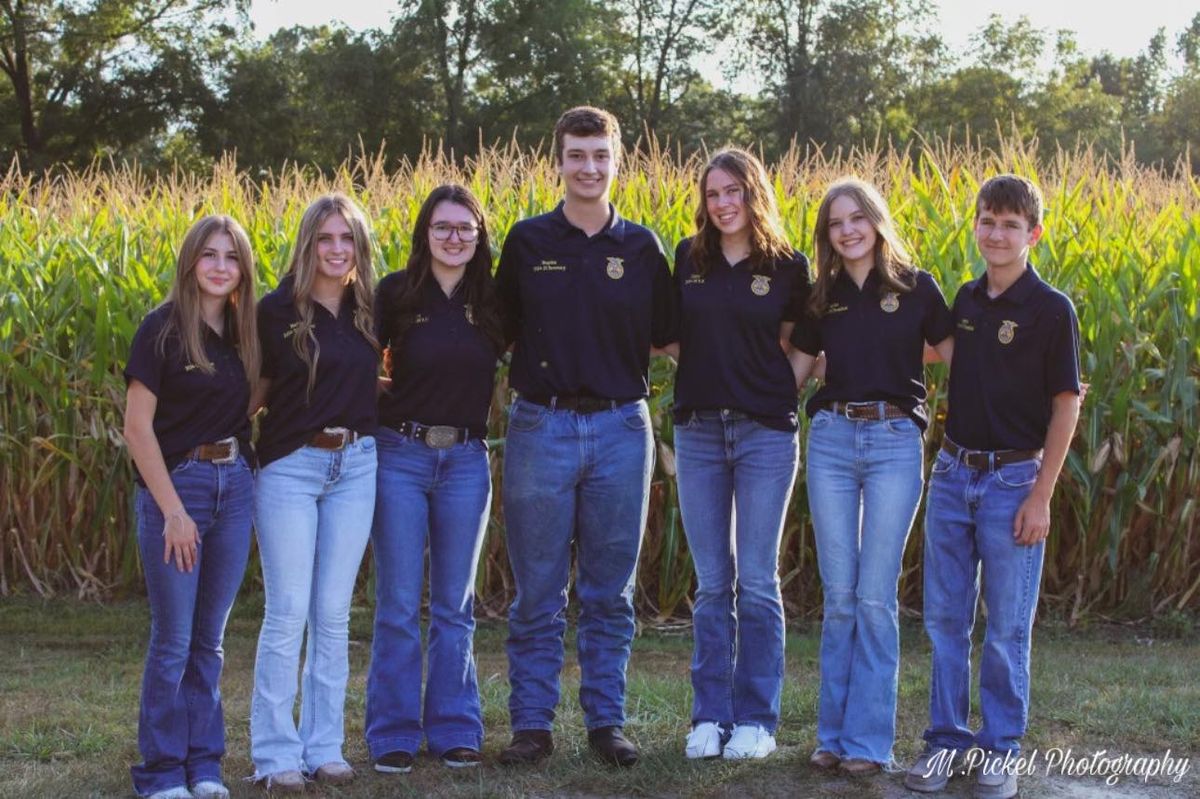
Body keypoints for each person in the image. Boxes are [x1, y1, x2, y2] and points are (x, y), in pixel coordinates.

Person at [494, 106, 676, 767]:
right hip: (541, 426)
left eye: (600, 155)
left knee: (608, 590)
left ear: (617, 160)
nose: (588, 167)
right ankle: (532, 726)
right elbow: (496, 333)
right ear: (559, 161)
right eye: (576, 154)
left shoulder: (642, 247)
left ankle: (607, 722)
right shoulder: (527, 242)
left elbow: (675, 337)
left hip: (622, 428)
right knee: (538, 589)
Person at [904, 175, 1080, 799]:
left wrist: (1042, 495)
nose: (996, 233)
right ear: (974, 227)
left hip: (1013, 480)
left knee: (1006, 627)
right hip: (953, 475)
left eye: (1010, 224)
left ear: (1033, 233)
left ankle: (1000, 750)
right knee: (946, 621)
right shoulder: (966, 299)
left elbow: (1066, 405)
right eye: (987, 221)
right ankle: (945, 744)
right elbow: (934, 352)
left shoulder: (1052, 309)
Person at [788, 178, 955, 775]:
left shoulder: (917, 288)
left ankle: (867, 743)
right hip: (831, 440)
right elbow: (793, 376)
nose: (848, 230)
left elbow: (960, 359)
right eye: (836, 223)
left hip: (892, 443)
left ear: (877, 221)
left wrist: (1034, 396)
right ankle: (831, 736)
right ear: (826, 234)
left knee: (875, 597)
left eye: (857, 217)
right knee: (838, 599)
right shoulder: (821, 296)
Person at [665, 148, 809, 760]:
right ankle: (709, 716)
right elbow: (674, 337)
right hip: (698, 431)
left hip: (764, 434)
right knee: (712, 582)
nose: (723, 204)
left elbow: (802, 346)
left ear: (755, 195)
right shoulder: (688, 258)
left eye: (734, 192)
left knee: (756, 579)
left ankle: (756, 718)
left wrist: (777, 388)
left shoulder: (788, 266)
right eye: (713, 193)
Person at [365, 185, 504, 774]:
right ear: (425, 233)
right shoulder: (396, 293)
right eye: (442, 227)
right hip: (402, 455)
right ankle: (393, 731)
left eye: (465, 228)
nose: (454, 238)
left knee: (454, 605)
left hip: (467, 460)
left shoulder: (497, 300)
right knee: (398, 602)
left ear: (479, 235)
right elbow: (357, 360)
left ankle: (454, 727)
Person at [123, 215, 260, 799]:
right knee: (174, 639)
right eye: (209, 255)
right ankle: (159, 772)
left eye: (231, 257)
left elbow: (260, 399)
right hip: (178, 490)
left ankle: (204, 765)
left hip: (236, 489)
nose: (221, 266)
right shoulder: (160, 331)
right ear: (190, 262)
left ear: (242, 269)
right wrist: (173, 509)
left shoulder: (244, 334)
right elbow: (136, 429)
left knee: (210, 640)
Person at [249, 193, 380, 792]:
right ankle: (276, 753)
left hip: (356, 466)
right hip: (290, 469)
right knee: (287, 612)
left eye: (346, 239)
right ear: (308, 243)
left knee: (332, 614)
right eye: (325, 239)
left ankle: (324, 745)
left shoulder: (369, 310)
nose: (335, 250)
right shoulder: (274, 310)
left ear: (360, 246)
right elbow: (252, 391)